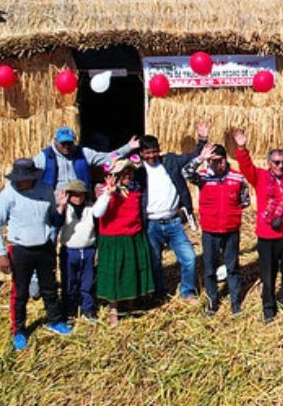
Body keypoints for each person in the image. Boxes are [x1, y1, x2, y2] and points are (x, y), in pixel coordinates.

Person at [29, 127, 136, 299]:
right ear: (55, 140)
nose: (66, 146)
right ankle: (37, 279)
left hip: (80, 204)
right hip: (56, 207)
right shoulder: (44, 157)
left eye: (69, 143)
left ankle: (84, 277)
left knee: (81, 239)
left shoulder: (83, 153)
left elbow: (107, 158)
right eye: (63, 143)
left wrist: (128, 147)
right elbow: (30, 174)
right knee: (48, 241)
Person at [111, 121, 209, 302]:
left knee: (189, 257)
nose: (152, 155)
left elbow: (193, 156)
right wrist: (126, 148)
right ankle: (160, 293)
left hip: (173, 221)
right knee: (154, 262)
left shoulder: (170, 161)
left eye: (154, 151)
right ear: (141, 153)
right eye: (147, 152)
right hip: (151, 224)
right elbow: (111, 163)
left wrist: (202, 139)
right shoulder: (137, 171)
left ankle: (187, 292)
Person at [0, 158, 69, 350]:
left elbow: (53, 218)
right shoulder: (8, 194)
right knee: (20, 293)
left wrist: (62, 208)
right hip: (20, 249)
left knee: (49, 288)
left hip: (44, 247)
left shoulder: (45, 190)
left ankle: (55, 321)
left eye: (25, 179)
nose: (21, 183)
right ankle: (19, 331)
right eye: (18, 179)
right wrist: (1, 254)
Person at [234, 130, 283, 323]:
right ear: (269, 163)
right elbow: (246, 167)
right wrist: (242, 148)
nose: (280, 166)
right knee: (268, 275)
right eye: (276, 162)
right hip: (267, 237)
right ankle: (268, 309)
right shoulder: (260, 177)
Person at [184, 142, 249, 316]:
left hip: (230, 229)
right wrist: (200, 158)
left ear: (225, 159)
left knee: (232, 267)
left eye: (220, 160)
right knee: (210, 269)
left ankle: (235, 304)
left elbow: (245, 201)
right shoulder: (202, 177)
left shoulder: (237, 178)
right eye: (213, 161)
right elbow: (185, 173)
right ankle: (212, 303)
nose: (217, 165)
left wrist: (230, 213)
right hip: (210, 230)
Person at [93, 156, 157, 326]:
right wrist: (108, 194)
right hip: (114, 239)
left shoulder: (136, 190)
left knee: (132, 270)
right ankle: (114, 309)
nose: (128, 175)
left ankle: (131, 304)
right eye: (124, 172)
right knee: (115, 273)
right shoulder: (106, 191)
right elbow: (97, 213)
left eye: (129, 172)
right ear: (116, 175)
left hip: (133, 236)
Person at [55, 179, 105, 323]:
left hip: (88, 250)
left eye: (81, 195)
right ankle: (69, 311)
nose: (78, 198)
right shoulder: (65, 210)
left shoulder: (90, 209)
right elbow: (56, 222)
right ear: (69, 196)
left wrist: (97, 250)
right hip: (69, 251)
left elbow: (98, 227)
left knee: (87, 282)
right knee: (69, 283)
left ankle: (88, 310)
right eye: (74, 195)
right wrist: (62, 206)